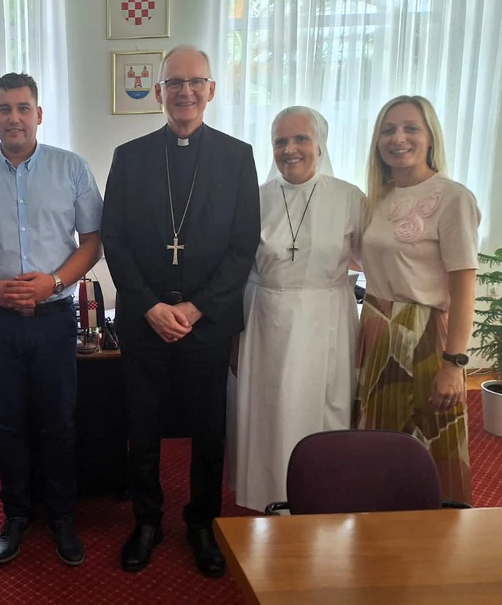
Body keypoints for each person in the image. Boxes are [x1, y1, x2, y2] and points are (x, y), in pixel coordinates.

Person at [101, 45, 260, 577]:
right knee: (142, 424)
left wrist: (196, 308)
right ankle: (146, 520)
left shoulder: (236, 157)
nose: (185, 91)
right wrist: (149, 305)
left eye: (195, 82)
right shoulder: (131, 157)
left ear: (211, 90)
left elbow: (243, 245)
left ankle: (202, 522)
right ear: (159, 91)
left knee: (208, 427)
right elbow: (115, 240)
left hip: (207, 322)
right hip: (144, 319)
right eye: (174, 82)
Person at [0, 72, 103, 566]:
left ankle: (63, 516)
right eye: (4, 109)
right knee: (7, 423)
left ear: (39, 114)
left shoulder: (71, 167)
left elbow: (93, 240)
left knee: (58, 422)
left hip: (54, 316)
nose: (14, 118)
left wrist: (55, 281)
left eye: (23, 108)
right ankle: (15, 515)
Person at [228, 106, 366, 513]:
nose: (290, 149)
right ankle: (267, 495)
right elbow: (235, 270)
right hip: (265, 318)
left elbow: (373, 262)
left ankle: (322, 496)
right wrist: (232, 337)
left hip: (328, 318)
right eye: (280, 141)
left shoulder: (350, 198)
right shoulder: (253, 199)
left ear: (320, 143)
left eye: (300, 139)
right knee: (269, 410)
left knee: (324, 408)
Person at [353, 95, 479, 503]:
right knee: (377, 441)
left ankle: (436, 532)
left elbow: (464, 286)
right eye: (388, 130)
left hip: (424, 335)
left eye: (411, 128)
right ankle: (376, 527)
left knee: (430, 441)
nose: (398, 138)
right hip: (375, 328)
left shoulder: (452, 198)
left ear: (430, 138)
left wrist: (454, 363)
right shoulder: (377, 197)